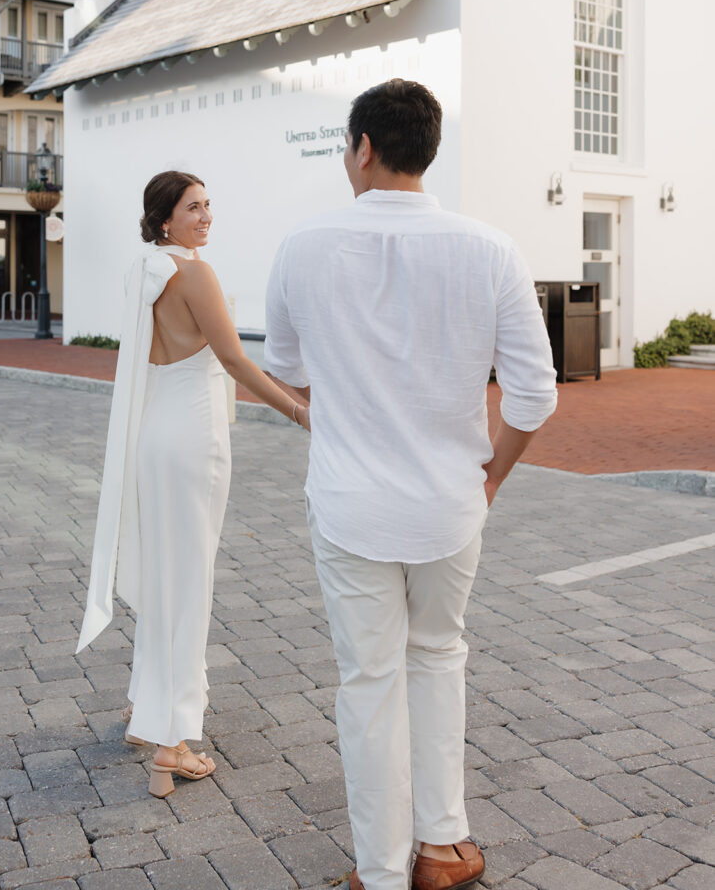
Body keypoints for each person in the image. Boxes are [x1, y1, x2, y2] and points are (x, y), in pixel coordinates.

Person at [264, 80, 557, 890]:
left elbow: (287, 374)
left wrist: (340, 412)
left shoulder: (301, 246)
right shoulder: (490, 248)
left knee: (368, 680)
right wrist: (491, 475)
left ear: (361, 147)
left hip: (349, 501)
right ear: (426, 149)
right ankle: (441, 844)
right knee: (438, 658)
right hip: (450, 502)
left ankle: (380, 870)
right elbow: (535, 394)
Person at [77, 170, 309, 798]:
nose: (206, 217)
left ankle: (144, 709)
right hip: (193, 439)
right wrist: (298, 412)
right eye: (192, 208)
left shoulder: (144, 271)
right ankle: (172, 746)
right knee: (187, 583)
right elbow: (234, 359)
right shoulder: (194, 274)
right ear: (164, 220)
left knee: (163, 576)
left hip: (156, 435)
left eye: (209, 205)